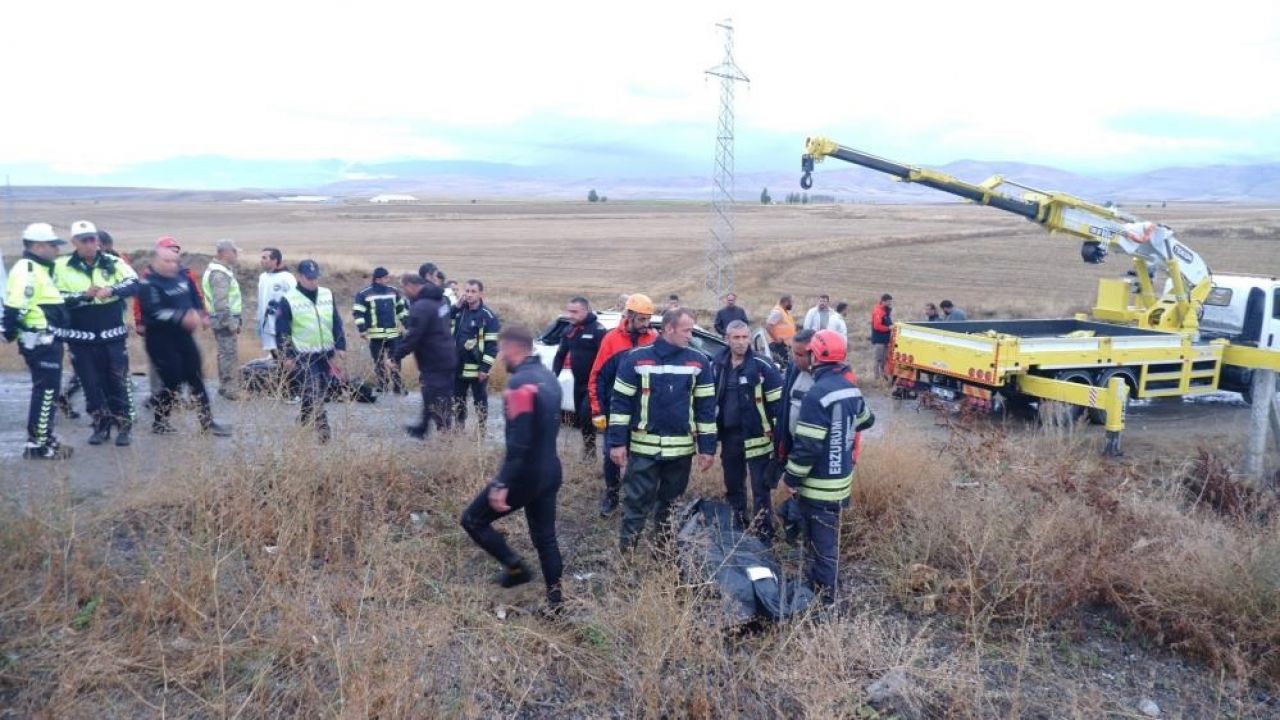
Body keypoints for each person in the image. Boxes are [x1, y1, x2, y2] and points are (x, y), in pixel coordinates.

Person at [459, 325, 564, 611]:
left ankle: (516, 569)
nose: (499, 356)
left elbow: (520, 442)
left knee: (472, 520)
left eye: (501, 350)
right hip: (551, 470)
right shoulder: (548, 378)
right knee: (546, 539)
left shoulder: (519, 385)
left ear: (512, 348)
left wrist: (501, 483)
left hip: (525, 475)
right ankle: (556, 603)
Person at [608, 307, 717, 550]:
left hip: (680, 453)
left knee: (671, 505)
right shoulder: (636, 358)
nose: (691, 336)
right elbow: (620, 403)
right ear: (668, 328)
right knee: (636, 503)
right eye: (687, 330)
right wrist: (617, 443)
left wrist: (707, 448)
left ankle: (663, 553)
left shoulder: (699, 362)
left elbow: (706, 409)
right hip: (643, 449)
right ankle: (628, 555)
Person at [780, 329, 875, 605]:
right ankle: (823, 587)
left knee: (822, 545)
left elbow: (808, 446)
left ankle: (825, 600)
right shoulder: (850, 388)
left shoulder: (816, 393)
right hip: (840, 481)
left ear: (816, 354)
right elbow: (867, 420)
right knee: (825, 540)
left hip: (818, 485)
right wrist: (841, 428)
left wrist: (790, 478)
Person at [54, 220, 141, 446]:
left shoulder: (113, 262)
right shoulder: (61, 266)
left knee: (118, 381)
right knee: (90, 383)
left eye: (93, 239)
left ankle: (124, 425)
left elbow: (134, 283)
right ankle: (100, 424)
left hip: (112, 335)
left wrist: (112, 289)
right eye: (84, 240)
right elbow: (54, 296)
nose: (91, 244)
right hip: (80, 337)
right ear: (75, 243)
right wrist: (82, 296)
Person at [137, 245, 231, 437]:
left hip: (184, 337)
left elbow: (192, 299)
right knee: (173, 381)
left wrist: (201, 314)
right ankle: (160, 422)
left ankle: (207, 422)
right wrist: (181, 317)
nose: (172, 265)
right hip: (160, 340)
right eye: (167, 261)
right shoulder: (148, 283)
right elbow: (153, 312)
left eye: (175, 261)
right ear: (156, 261)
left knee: (196, 378)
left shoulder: (181, 276)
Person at [3, 223, 74, 459]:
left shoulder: (40, 269)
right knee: (45, 391)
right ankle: (37, 444)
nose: (56, 250)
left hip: (48, 339)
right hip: (40, 342)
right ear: (39, 245)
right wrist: (12, 331)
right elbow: (16, 305)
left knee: (49, 391)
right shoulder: (28, 269)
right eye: (53, 245)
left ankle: (45, 435)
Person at [713, 320, 784, 543]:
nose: (742, 342)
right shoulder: (717, 364)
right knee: (733, 483)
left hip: (758, 437)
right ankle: (738, 524)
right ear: (727, 339)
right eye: (736, 338)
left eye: (745, 337)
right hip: (730, 436)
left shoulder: (763, 366)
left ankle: (764, 533)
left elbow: (777, 406)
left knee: (760, 488)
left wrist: (778, 438)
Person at [586, 293, 657, 515]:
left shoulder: (653, 339)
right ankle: (612, 494)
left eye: (649, 319)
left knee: (641, 458)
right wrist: (597, 411)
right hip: (615, 410)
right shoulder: (611, 340)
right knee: (612, 455)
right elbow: (596, 377)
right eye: (642, 320)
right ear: (630, 316)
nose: (646, 325)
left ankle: (636, 497)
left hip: (643, 413)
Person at [275, 259, 346, 443]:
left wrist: (341, 346)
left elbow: (336, 321)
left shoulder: (327, 294)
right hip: (303, 355)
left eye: (315, 278)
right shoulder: (289, 299)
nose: (313, 282)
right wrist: (288, 355)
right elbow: (282, 330)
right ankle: (324, 431)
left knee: (319, 391)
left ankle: (304, 421)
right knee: (312, 391)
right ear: (300, 277)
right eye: (309, 278)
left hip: (326, 353)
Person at [133, 237, 207, 407]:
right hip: (158, 335)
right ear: (159, 257)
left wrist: (200, 313)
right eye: (169, 254)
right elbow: (144, 304)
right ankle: (156, 399)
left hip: (183, 333)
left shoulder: (184, 274)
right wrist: (139, 321)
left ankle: (206, 420)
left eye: (176, 253)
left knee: (194, 375)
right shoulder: (148, 278)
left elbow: (193, 295)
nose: (173, 260)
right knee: (165, 374)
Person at [393, 273, 456, 438]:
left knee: (437, 397)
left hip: (435, 359)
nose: (404, 292)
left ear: (411, 286)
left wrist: (395, 356)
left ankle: (445, 434)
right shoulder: (439, 300)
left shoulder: (421, 306)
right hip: (445, 355)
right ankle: (423, 428)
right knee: (432, 393)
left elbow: (413, 336)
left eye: (404, 288)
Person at [551, 296, 605, 456]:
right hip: (579, 383)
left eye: (575, 312)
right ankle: (589, 450)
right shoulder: (569, 331)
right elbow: (560, 356)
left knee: (586, 415)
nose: (570, 315)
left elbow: (607, 359)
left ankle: (594, 451)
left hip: (595, 383)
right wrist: (554, 377)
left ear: (585, 311)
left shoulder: (598, 330)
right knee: (581, 420)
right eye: (569, 311)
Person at [451, 279, 500, 430]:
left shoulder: (488, 316)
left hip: (476, 368)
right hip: (457, 365)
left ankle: (481, 431)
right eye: (467, 291)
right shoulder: (460, 311)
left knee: (480, 401)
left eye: (473, 291)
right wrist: (456, 306)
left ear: (480, 294)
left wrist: (485, 368)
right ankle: (459, 428)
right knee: (458, 400)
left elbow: (492, 346)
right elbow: (443, 318)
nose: (469, 295)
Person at [353, 266, 407, 394]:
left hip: (393, 334)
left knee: (395, 360)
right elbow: (358, 313)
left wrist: (408, 325)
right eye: (385, 277)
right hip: (375, 335)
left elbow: (401, 311)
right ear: (378, 279)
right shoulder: (364, 294)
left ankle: (398, 386)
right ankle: (382, 385)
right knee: (378, 361)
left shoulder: (394, 292)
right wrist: (362, 330)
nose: (388, 279)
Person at [202, 239, 244, 400]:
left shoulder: (219, 270)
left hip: (220, 320)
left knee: (224, 353)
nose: (236, 255)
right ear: (225, 253)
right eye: (234, 252)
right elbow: (221, 302)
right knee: (229, 354)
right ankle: (230, 389)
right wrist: (231, 323)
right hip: (224, 320)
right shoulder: (219, 273)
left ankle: (224, 386)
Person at [256, 247, 296, 355]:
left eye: (265, 258)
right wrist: (259, 320)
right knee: (273, 355)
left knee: (284, 355)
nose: (261, 260)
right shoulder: (262, 277)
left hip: (281, 326)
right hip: (266, 325)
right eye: (261, 257)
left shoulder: (287, 278)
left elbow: (294, 300)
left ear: (274, 260)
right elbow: (261, 301)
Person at [765, 294, 797, 362]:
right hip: (779, 346)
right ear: (785, 302)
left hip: (785, 345)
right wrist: (776, 339)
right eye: (791, 302)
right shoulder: (778, 312)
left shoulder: (784, 312)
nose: (792, 305)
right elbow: (768, 326)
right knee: (780, 365)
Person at [870, 293, 894, 381]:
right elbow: (877, 326)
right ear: (883, 301)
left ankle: (884, 376)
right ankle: (876, 378)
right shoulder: (878, 311)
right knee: (878, 359)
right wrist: (888, 328)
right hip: (879, 340)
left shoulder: (886, 311)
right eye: (888, 302)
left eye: (890, 302)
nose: (890, 304)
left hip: (886, 340)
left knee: (885, 360)